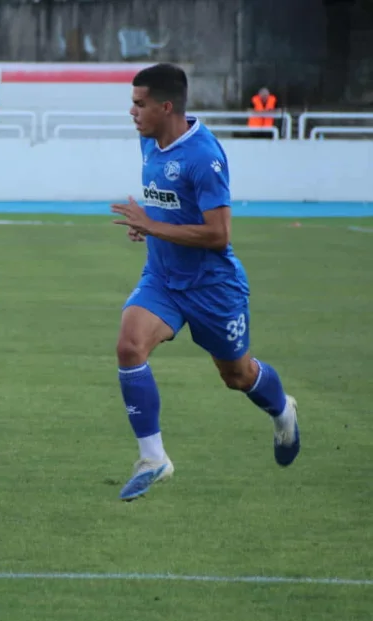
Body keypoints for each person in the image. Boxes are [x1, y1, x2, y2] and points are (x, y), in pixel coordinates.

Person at [110, 63, 300, 501]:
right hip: (163, 277)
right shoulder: (149, 140)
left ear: (166, 105)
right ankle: (154, 458)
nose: (132, 113)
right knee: (129, 346)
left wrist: (153, 227)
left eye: (140, 104)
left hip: (213, 286)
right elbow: (171, 206)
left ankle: (283, 409)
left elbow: (219, 235)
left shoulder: (203, 157)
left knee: (237, 375)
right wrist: (150, 223)